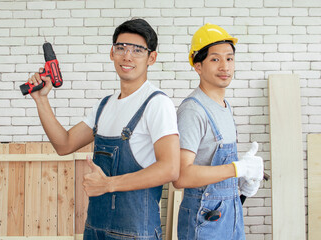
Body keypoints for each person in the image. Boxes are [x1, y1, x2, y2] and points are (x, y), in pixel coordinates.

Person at [27, 18, 180, 240]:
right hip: (95, 230)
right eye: (121, 48)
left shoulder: (157, 103)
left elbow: (170, 168)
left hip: (136, 234)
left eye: (137, 50)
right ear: (112, 53)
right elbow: (64, 144)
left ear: (152, 58)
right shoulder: (104, 105)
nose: (127, 56)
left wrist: (108, 184)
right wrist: (41, 100)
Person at [173, 23, 264, 240]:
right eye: (215, 59)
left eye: (229, 58)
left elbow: (214, 165)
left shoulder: (225, 106)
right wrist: (237, 169)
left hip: (230, 214)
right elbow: (181, 176)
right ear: (198, 65)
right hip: (205, 219)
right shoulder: (193, 110)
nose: (225, 66)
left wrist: (240, 183)